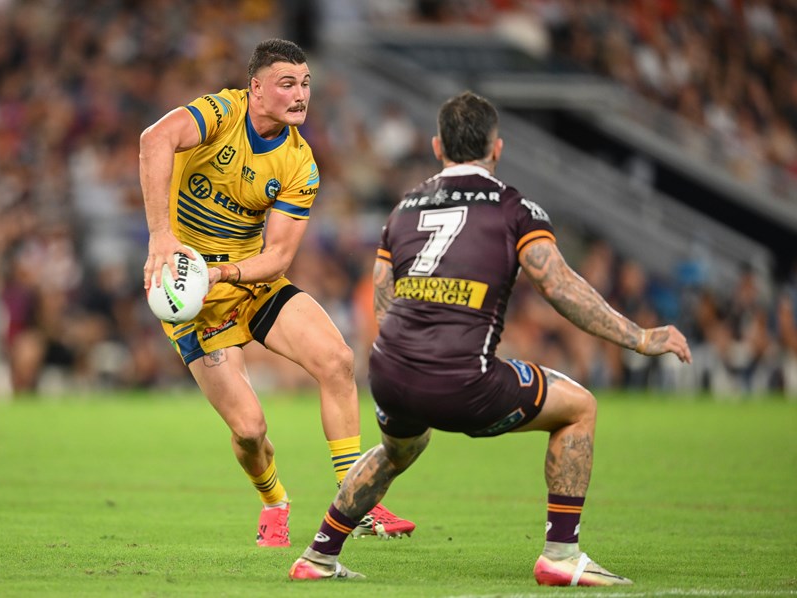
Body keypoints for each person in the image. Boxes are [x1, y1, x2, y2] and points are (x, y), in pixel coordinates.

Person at [289, 91, 692, 583]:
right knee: (580, 407)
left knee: (399, 449)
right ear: (497, 148)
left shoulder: (403, 210)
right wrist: (640, 338)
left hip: (390, 372)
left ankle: (319, 555)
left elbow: (383, 303)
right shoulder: (515, 209)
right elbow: (559, 287)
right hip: (463, 381)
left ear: (438, 147)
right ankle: (561, 555)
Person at [139, 38, 414, 548]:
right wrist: (161, 235)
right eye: (287, 83)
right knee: (249, 431)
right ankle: (274, 501)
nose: (300, 94)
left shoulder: (299, 162)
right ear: (256, 89)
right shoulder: (220, 114)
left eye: (306, 83)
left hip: (246, 283)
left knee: (336, 360)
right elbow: (154, 140)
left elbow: (279, 258)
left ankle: (358, 499)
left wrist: (224, 274)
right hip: (192, 303)